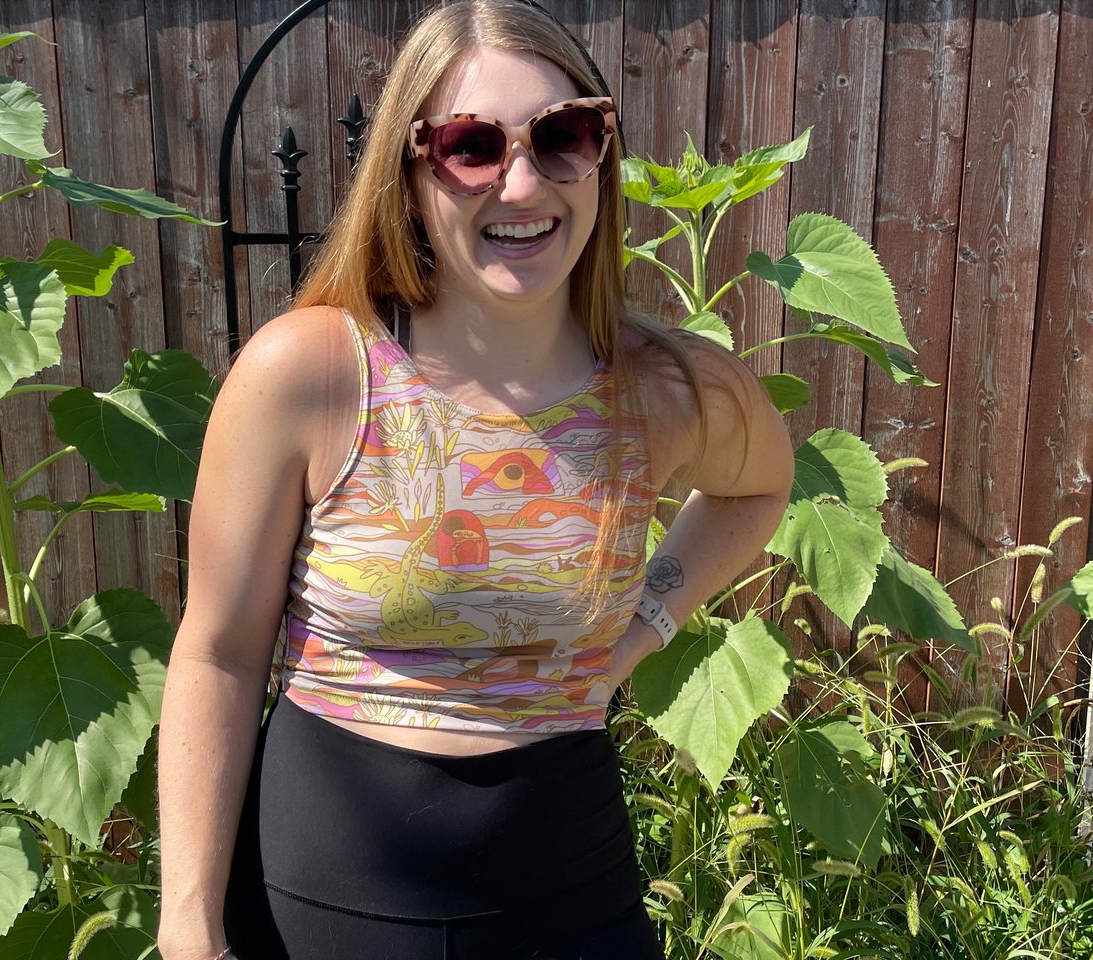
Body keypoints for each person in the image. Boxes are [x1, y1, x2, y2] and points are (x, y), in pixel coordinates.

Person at [155, 2, 793, 958]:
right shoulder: (316, 375)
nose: (522, 182)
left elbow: (759, 486)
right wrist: (187, 924)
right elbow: (219, 655)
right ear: (409, 174)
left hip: (573, 899)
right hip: (327, 903)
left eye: (562, 136)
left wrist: (641, 629)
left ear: (601, 155)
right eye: (471, 146)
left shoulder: (663, 388)